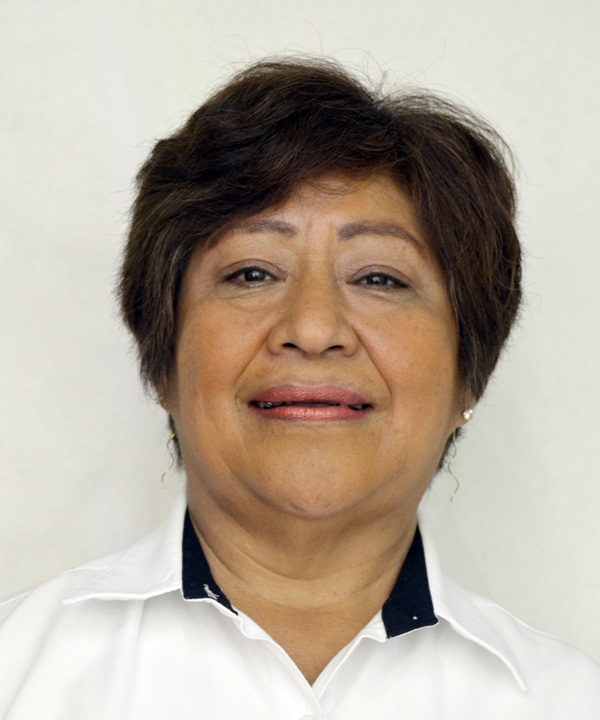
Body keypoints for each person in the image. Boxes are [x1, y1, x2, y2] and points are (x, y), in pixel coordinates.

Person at [1, 58, 599, 719]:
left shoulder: (567, 700)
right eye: (252, 273)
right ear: (163, 361)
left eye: (379, 279)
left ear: (469, 374)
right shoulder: (17, 672)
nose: (313, 329)